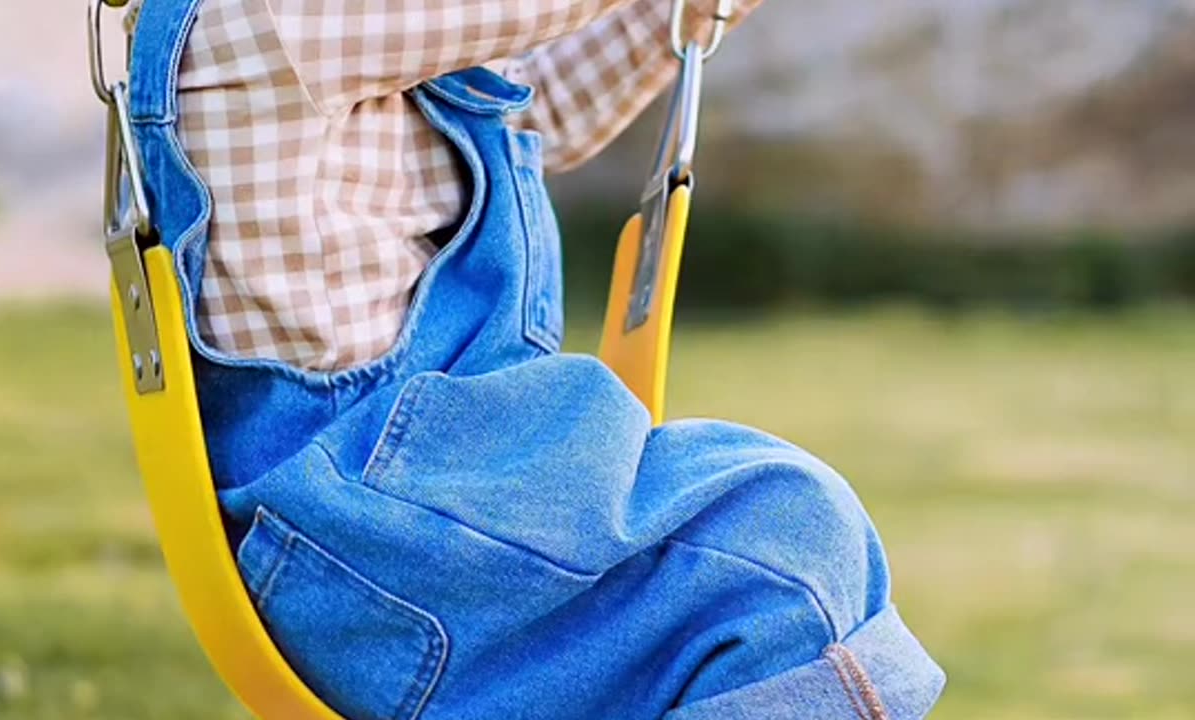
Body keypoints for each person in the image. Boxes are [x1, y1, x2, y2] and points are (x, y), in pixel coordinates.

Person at [123, 0, 946, 717]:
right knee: (783, 549)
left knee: (780, 582)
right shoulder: (267, 17)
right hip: (380, 545)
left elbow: (539, 105)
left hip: (452, 507)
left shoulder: (363, 48)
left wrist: (681, 17)